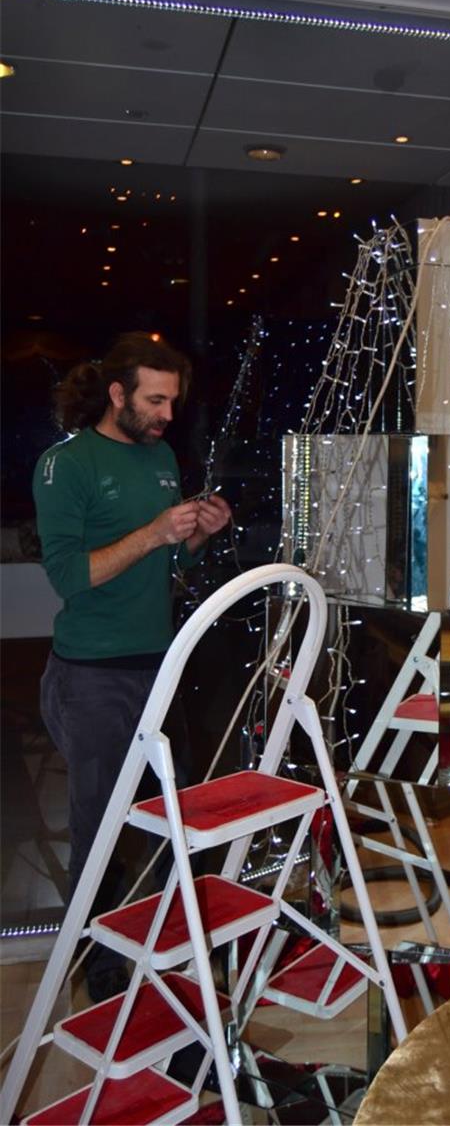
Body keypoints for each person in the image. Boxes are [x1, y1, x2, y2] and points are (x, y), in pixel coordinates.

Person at [33, 332, 232, 1000]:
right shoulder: (66, 465)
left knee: (173, 820)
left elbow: (170, 565)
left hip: (159, 668)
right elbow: (69, 577)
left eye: (172, 402)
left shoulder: (161, 457)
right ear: (116, 394)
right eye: (154, 401)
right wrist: (154, 531)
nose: (167, 415)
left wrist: (196, 534)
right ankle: (99, 973)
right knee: (100, 829)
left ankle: (177, 958)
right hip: (92, 675)